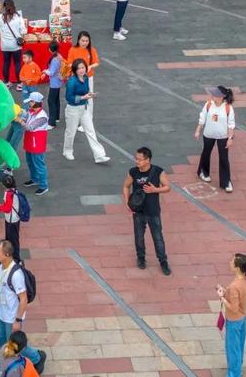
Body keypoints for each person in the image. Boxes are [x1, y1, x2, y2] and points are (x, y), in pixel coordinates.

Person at [0, 241, 46, 371]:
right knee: (2, 342)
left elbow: (23, 299)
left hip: (12, 317)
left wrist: (18, 320)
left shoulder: (16, 274)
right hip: (1, 314)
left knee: (14, 345)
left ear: (6, 254)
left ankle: (37, 357)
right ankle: (3, 363)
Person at [122, 147, 172, 275]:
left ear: (147, 160)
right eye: (136, 159)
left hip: (153, 211)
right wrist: (127, 202)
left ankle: (163, 261)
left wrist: (155, 190)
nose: (136, 161)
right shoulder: (133, 172)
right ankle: (141, 258)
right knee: (139, 236)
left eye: (139, 159)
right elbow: (126, 186)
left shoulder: (158, 171)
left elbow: (167, 187)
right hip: (138, 211)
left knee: (158, 237)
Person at [62, 59, 110, 164]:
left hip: (84, 108)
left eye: (83, 67)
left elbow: (86, 90)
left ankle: (99, 155)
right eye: (79, 68)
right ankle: (67, 150)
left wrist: (90, 94)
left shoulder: (86, 78)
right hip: (73, 110)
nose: (81, 70)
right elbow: (69, 98)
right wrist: (84, 97)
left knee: (91, 131)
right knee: (71, 132)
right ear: (75, 70)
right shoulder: (72, 82)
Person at [217, 253, 246, 377]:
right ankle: (238, 367)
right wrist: (228, 293)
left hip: (233, 320)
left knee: (232, 348)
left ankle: (234, 373)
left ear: (237, 268)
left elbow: (233, 308)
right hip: (243, 317)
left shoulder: (234, 286)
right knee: (239, 345)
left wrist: (222, 297)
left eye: (232, 261)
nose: (230, 262)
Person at [195, 86, 236, 193]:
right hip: (208, 134)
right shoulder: (208, 104)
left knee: (224, 158)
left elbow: (231, 125)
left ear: (222, 97)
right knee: (206, 153)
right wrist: (198, 130)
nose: (212, 96)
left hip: (223, 136)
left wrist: (230, 138)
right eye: (213, 94)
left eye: (215, 95)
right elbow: (202, 117)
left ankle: (226, 182)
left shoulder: (228, 108)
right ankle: (203, 172)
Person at [0, 0, 26, 87]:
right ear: (13, 6)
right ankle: (20, 83)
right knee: (17, 63)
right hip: (16, 45)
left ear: (4, 8)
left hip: (5, 45)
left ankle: (6, 82)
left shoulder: (1, 17)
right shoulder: (18, 17)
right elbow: (24, 31)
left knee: (6, 63)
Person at [67, 31, 99, 123]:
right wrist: (78, 69)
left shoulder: (91, 50)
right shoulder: (73, 50)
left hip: (88, 77)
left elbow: (96, 62)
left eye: (87, 41)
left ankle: (88, 119)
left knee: (88, 97)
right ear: (78, 40)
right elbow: (69, 63)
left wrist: (90, 66)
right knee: (78, 97)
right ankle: (79, 118)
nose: (85, 43)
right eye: (83, 41)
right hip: (76, 79)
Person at [22, 92, 49, 196]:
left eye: (31, 101)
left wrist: (20, 121)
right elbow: (26, 118)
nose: (29, 103)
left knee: (39, 164)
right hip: (30, 141)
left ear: (36, 102)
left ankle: (43, 185)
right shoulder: (32, 112)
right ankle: (34, 179)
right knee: (30, 162)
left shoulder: (42, 117)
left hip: (37, 143)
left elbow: (30, 127)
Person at [0, 173, 22, 262]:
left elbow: (7, 209)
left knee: (12, 240)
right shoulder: (14, 190)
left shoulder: (8, 194)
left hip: (11, 220)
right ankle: (12, 256)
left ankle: (16, 259)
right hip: (16, 218)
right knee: (14, 239)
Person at [43, 40, 63, 128]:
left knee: (51, 101)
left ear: (50, 49)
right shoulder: (59, 56)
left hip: (54, 82)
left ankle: (51, 122)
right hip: (58, 81)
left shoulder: (54, 59)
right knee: (56, 100)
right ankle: (56, 117)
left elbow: (51, 72)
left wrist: (45, 71)